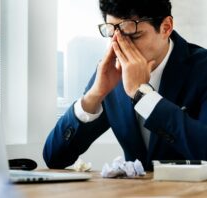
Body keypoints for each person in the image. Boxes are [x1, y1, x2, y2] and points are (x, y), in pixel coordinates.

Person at [43, 0, 207, 170]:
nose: (120, 45)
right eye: (112, 35)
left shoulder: (202, 69)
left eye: (134, 36)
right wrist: (94, 95)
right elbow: (54, 158)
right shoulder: (111, 73)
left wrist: (142, 95)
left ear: (166, 27)